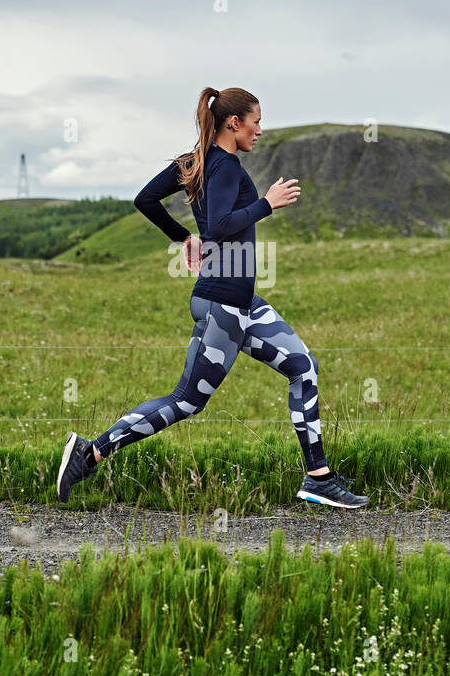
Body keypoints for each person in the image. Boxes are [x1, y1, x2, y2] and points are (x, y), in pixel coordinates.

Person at [57, 86, 368, 508]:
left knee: (303, 367)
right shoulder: (223, 166)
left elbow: (145, 199)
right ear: (234, 122)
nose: (260, 130)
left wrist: (183, 236)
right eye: (255, 121)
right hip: (222, 304)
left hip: (243, 304)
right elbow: (220, 225)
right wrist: (266, 205)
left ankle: (318, 478)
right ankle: (90, 453)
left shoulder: (197, 160)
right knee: (186, 400)